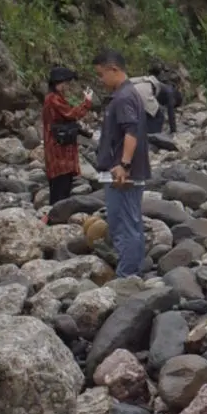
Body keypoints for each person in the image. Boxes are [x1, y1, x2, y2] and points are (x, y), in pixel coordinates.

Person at [93, 48, 151, 285]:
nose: (100, 80)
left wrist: (123, 165)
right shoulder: (125, 95)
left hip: (123, 174)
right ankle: (131, 272)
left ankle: (127, 277)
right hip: (120, 171)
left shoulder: (125, 97)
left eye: (101, 74)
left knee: (125, 225)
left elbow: (131, 132)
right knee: (126, 223)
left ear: (114, 69)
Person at [42, 66, 93, 208]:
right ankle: (57, 214)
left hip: (58, 145)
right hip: (58, 147)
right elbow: (71, 114)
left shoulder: (54, 98)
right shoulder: (53, 99)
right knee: (61, 183)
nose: (67, 86)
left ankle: (57, 213)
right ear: (57, 82)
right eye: (65, 82)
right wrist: (87, 102)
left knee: (62, 181)